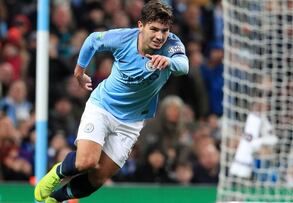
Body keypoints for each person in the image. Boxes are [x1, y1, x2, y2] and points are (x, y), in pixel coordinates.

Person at [34, 1, 189, 202]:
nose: (160, 36)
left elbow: (184, 65)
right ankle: (58, 173)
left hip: (131, 122)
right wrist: (80, 71)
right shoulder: (122, 38)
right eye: (154, 29)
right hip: (102, 107)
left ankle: (56, 198)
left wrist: (170, 61)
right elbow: (92, 41)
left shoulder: (171, 45)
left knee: (98, 178)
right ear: (140, 25)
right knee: (86, 162)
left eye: (164, 30)